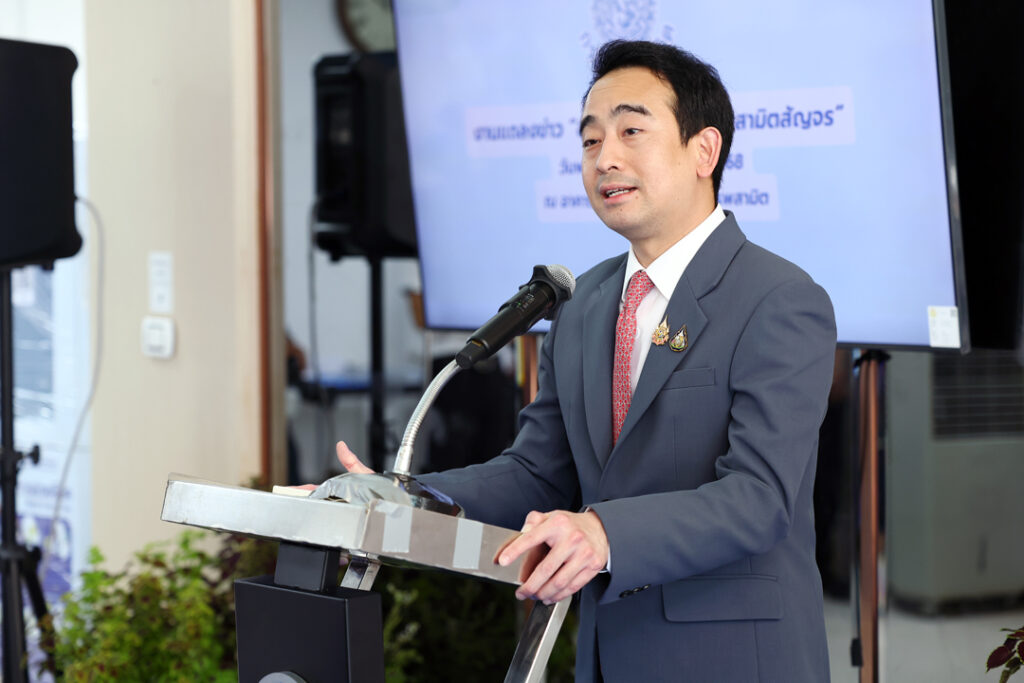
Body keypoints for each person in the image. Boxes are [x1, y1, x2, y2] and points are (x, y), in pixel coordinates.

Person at [338, 39, 836, 682]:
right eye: (591, 140)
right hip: (606, 657)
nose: (606, 159)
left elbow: (759, 496)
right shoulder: (583, 304)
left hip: (732, 659)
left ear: (704, 151)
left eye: (631, 131)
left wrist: (604, 532)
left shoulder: (778, 298)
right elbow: (538, 475)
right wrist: (403, 497)